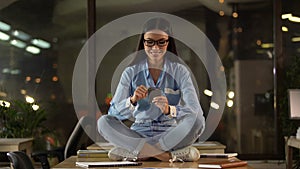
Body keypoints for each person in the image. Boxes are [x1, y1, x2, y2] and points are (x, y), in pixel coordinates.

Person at [97, 17, 205, 162]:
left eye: (161, 42)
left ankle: (137, 153)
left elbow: (195, 111)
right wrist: (132, 100)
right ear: (143, 42)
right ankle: (166, 156)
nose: (155, 47)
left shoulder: (180, 71)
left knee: (198, 121)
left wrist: (170, 110)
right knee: (103, 122)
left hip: (169, 135)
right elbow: (113, 113)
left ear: (168, 42)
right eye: (150, 42)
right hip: (138, 134)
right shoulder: (130, 72)